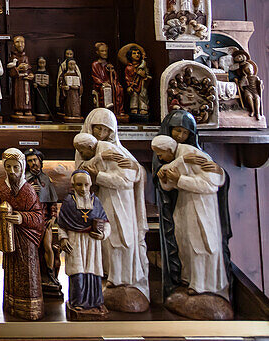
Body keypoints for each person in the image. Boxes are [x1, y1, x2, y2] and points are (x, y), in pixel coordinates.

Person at [75, 109, 150, 310]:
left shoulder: (115, 151)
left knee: (121, 238)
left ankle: (123, 279)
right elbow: (81, 174)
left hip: (121, 203)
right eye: (97, 128)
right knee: (105, 241)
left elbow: (132, 176)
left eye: (105, 130)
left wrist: (101, 175)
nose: (100, 133)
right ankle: (107, 275)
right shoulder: (91, 150)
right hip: (101, 203)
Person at [151, 134, 231, 311]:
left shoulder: (195, 156)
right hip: (185, 205)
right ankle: (189, 278)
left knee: (200, 244)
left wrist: (180, 179)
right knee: (185, 243)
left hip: (202, 207)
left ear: (169, 149)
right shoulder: (180, 157)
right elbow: (168, 184)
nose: (159, 158)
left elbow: (211, 183)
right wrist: (166, 178)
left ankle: (202, 284)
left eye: (160, 154)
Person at [0, 148, 45, 320]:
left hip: (26, 241)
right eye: (8, 167)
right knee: (11, 272)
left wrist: (21, 217)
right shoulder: (2, 190)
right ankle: (11, 305)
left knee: (28, 273)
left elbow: (39, 217)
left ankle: (30, 308)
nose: (12, 171)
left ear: (22, 167)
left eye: (16, 167)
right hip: (9, 240)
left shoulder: (28, 190)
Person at [56, 170, 110, 318]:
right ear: (73, 185)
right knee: (77, 274)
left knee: (93, 273)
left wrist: (102, 234)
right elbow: (61, 225)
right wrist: (63, 238)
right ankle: (77, 303)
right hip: (75, 242)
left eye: (86, 184)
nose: (83, 188)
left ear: (91, 184)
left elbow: (106, 223)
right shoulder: (68, 202)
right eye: (79, 185)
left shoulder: (96, 202)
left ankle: (95, 303)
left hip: (92, 243)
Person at [25, 148, 62, 299]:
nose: (33, 163)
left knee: (48, 247)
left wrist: (53, 217)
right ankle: (31, 275)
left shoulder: (46, 179)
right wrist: (28, 190)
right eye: (30, 161)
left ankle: (51, 274)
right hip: (31, 221)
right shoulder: (24, 180)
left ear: (40, 161)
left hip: (45, 220)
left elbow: (52, 202)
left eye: (35, 160)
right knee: (31, 250)